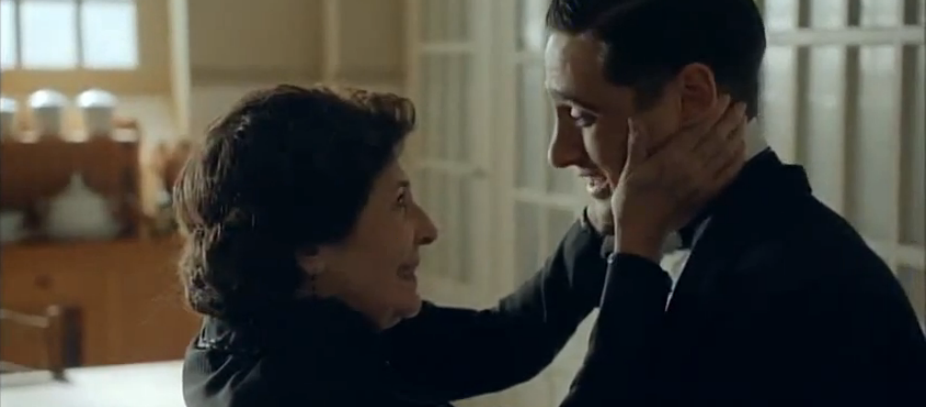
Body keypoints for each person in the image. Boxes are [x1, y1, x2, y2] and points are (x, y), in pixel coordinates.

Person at [176, 85, 746, 406]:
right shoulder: (307, 393)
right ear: (311, 247)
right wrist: (636, 254)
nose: (428, 228)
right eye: (400, 202)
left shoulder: (280, 325)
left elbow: (500, 342)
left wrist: (603, 223)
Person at [542, 0, 926, 405]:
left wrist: (634, 253)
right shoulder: (725, 239)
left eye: (582, 116)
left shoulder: (793, 288)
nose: (559, 154)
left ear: (692, 96)